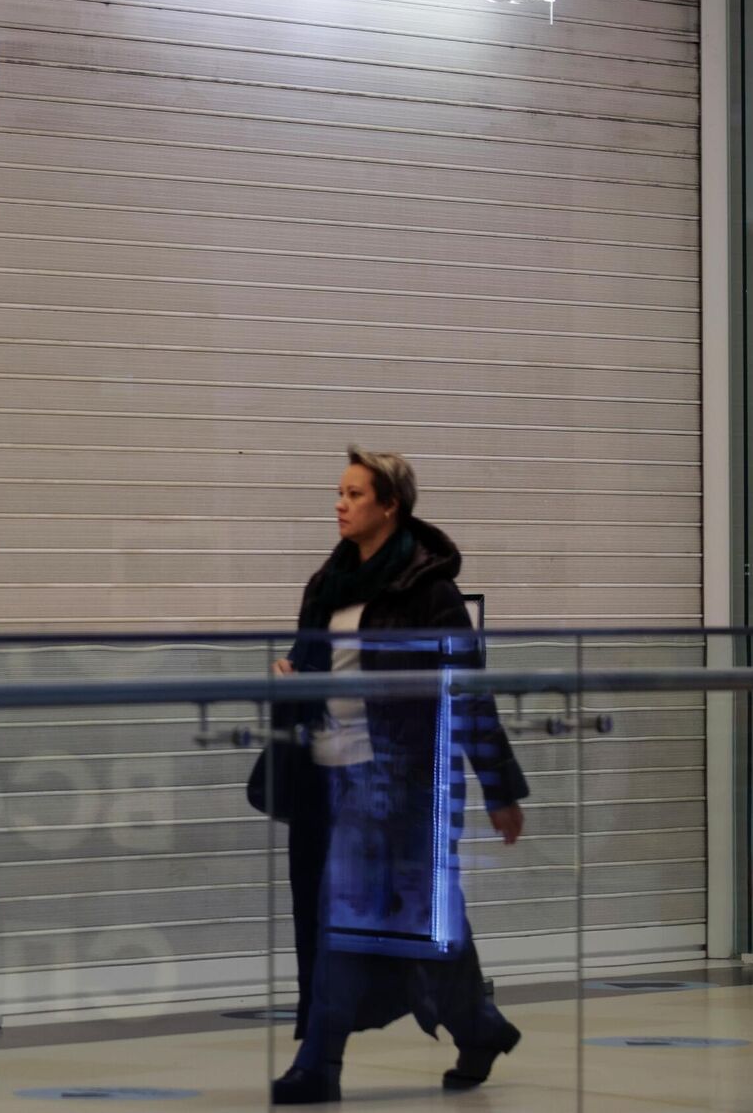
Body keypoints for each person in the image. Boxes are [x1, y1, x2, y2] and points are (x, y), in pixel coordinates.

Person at [270, 446, 529, 1105]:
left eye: (355, 493)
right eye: (339, 491)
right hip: (327, 777)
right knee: (412, 921)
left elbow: (468, 690)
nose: (340, 503)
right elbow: (314, 669)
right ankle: (480, 1025)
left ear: (390, 505)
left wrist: (499, 788)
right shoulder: (326, 583)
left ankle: (319, 1064)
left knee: (355, 913)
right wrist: (290, 680)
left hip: (399, 781)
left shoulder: (428, 590)